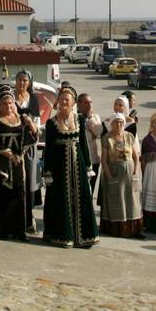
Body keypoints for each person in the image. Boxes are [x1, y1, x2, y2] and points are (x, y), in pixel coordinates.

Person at [41, 87, 99, 248]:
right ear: (58, 101)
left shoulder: (79, 120)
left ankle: (84, 237)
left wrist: (88, 166)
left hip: (78, 166)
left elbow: (84, 145)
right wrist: (47, 171)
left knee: (81, 199)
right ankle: (63, 236)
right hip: (59, 168)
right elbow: (49, 149)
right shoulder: (51, 123)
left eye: (67, 99)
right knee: (61, 199)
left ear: (73, 102)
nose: (64, 102)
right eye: (62, 99)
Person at [0, 86, 36, 240]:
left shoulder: (21, 119)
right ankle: (4, 229)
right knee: (3, 195)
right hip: (2, 164)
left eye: (10, 103)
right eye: (4, 104)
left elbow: (31, 137)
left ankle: (19, 230)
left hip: (18, 164)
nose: (8, 107)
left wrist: (30, 123)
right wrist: (8, 154)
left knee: (19, 195)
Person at [99, 113, 144, 238]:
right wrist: (109, 177)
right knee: (117, 201)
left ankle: (133, 229)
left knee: (132, 201)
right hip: (115, 173)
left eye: (121, 122)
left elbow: (135, 156)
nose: (119, 125)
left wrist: (135, 172)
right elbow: (104, 160)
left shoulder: (129, 136)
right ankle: (118, 230)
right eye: (116, 122)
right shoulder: (107, 138)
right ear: (111, 124)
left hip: (129, 173)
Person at [13, 70, 43, 213]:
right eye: (19, 80)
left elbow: (37, 125)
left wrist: (30, 123)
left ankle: (28, 216)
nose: (22, 83)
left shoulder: (33, 99)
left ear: (29, 83)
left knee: (29, 179)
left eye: (25, 80)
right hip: (13, 145)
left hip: (28, 145)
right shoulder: (10, 98)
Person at [77, 93, 105, 196]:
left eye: (90, 102)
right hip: (80, 160)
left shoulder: (95, 117)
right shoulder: (74, 117)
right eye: (85, 102)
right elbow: (82, 137)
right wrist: (91, 135)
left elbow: (98, 132)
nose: (89, 105)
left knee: (90, 190)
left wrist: (89, 118)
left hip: (93, 160)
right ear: (78, 104)